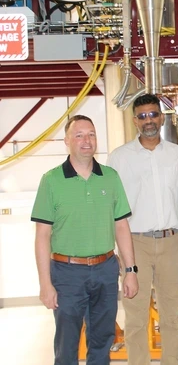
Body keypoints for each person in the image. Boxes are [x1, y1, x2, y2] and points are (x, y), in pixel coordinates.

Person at [32, 115, 138, 365]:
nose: (86, 140)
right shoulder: (51, 180)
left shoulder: (110, 177)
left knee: (102, 339)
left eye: (91, 134)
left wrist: (131, 270)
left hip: (105, 270)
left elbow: (121, 227)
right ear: (67, 141)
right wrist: (45, 284)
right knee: (67, 344)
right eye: (79, 135)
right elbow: (42, 236)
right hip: (67, 274)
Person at [107, 94, 178, 365]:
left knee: (170, 315)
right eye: (142, 116)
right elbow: (113, 207)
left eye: (153, 115)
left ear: (162, 117)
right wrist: (116, 249)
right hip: (135, 245)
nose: (148, 121)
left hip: (172, 242)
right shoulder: (119, 158)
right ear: (135, 121)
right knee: (135, 317)